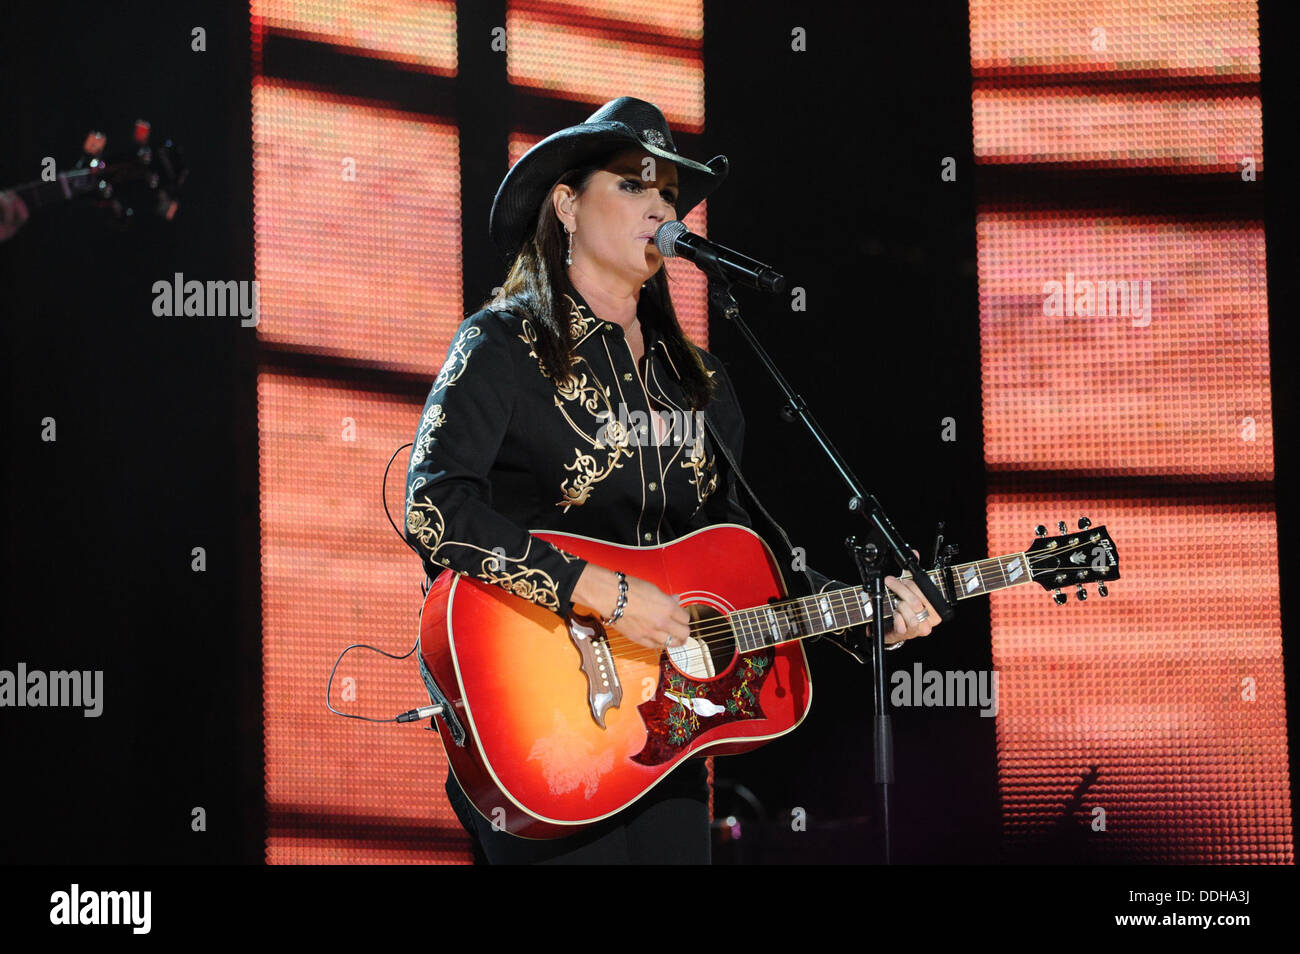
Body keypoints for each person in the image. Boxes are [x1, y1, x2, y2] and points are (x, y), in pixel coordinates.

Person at [403, 96, 939, 864]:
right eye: (632, 185)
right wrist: (606, 592)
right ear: (566, 206)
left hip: (665, 727)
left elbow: (740, 556)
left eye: (667, 194)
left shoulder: (702, 382)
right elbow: (435, 506)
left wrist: (864, 619)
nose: (659, 206)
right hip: (539, 719)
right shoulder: (502, 344)